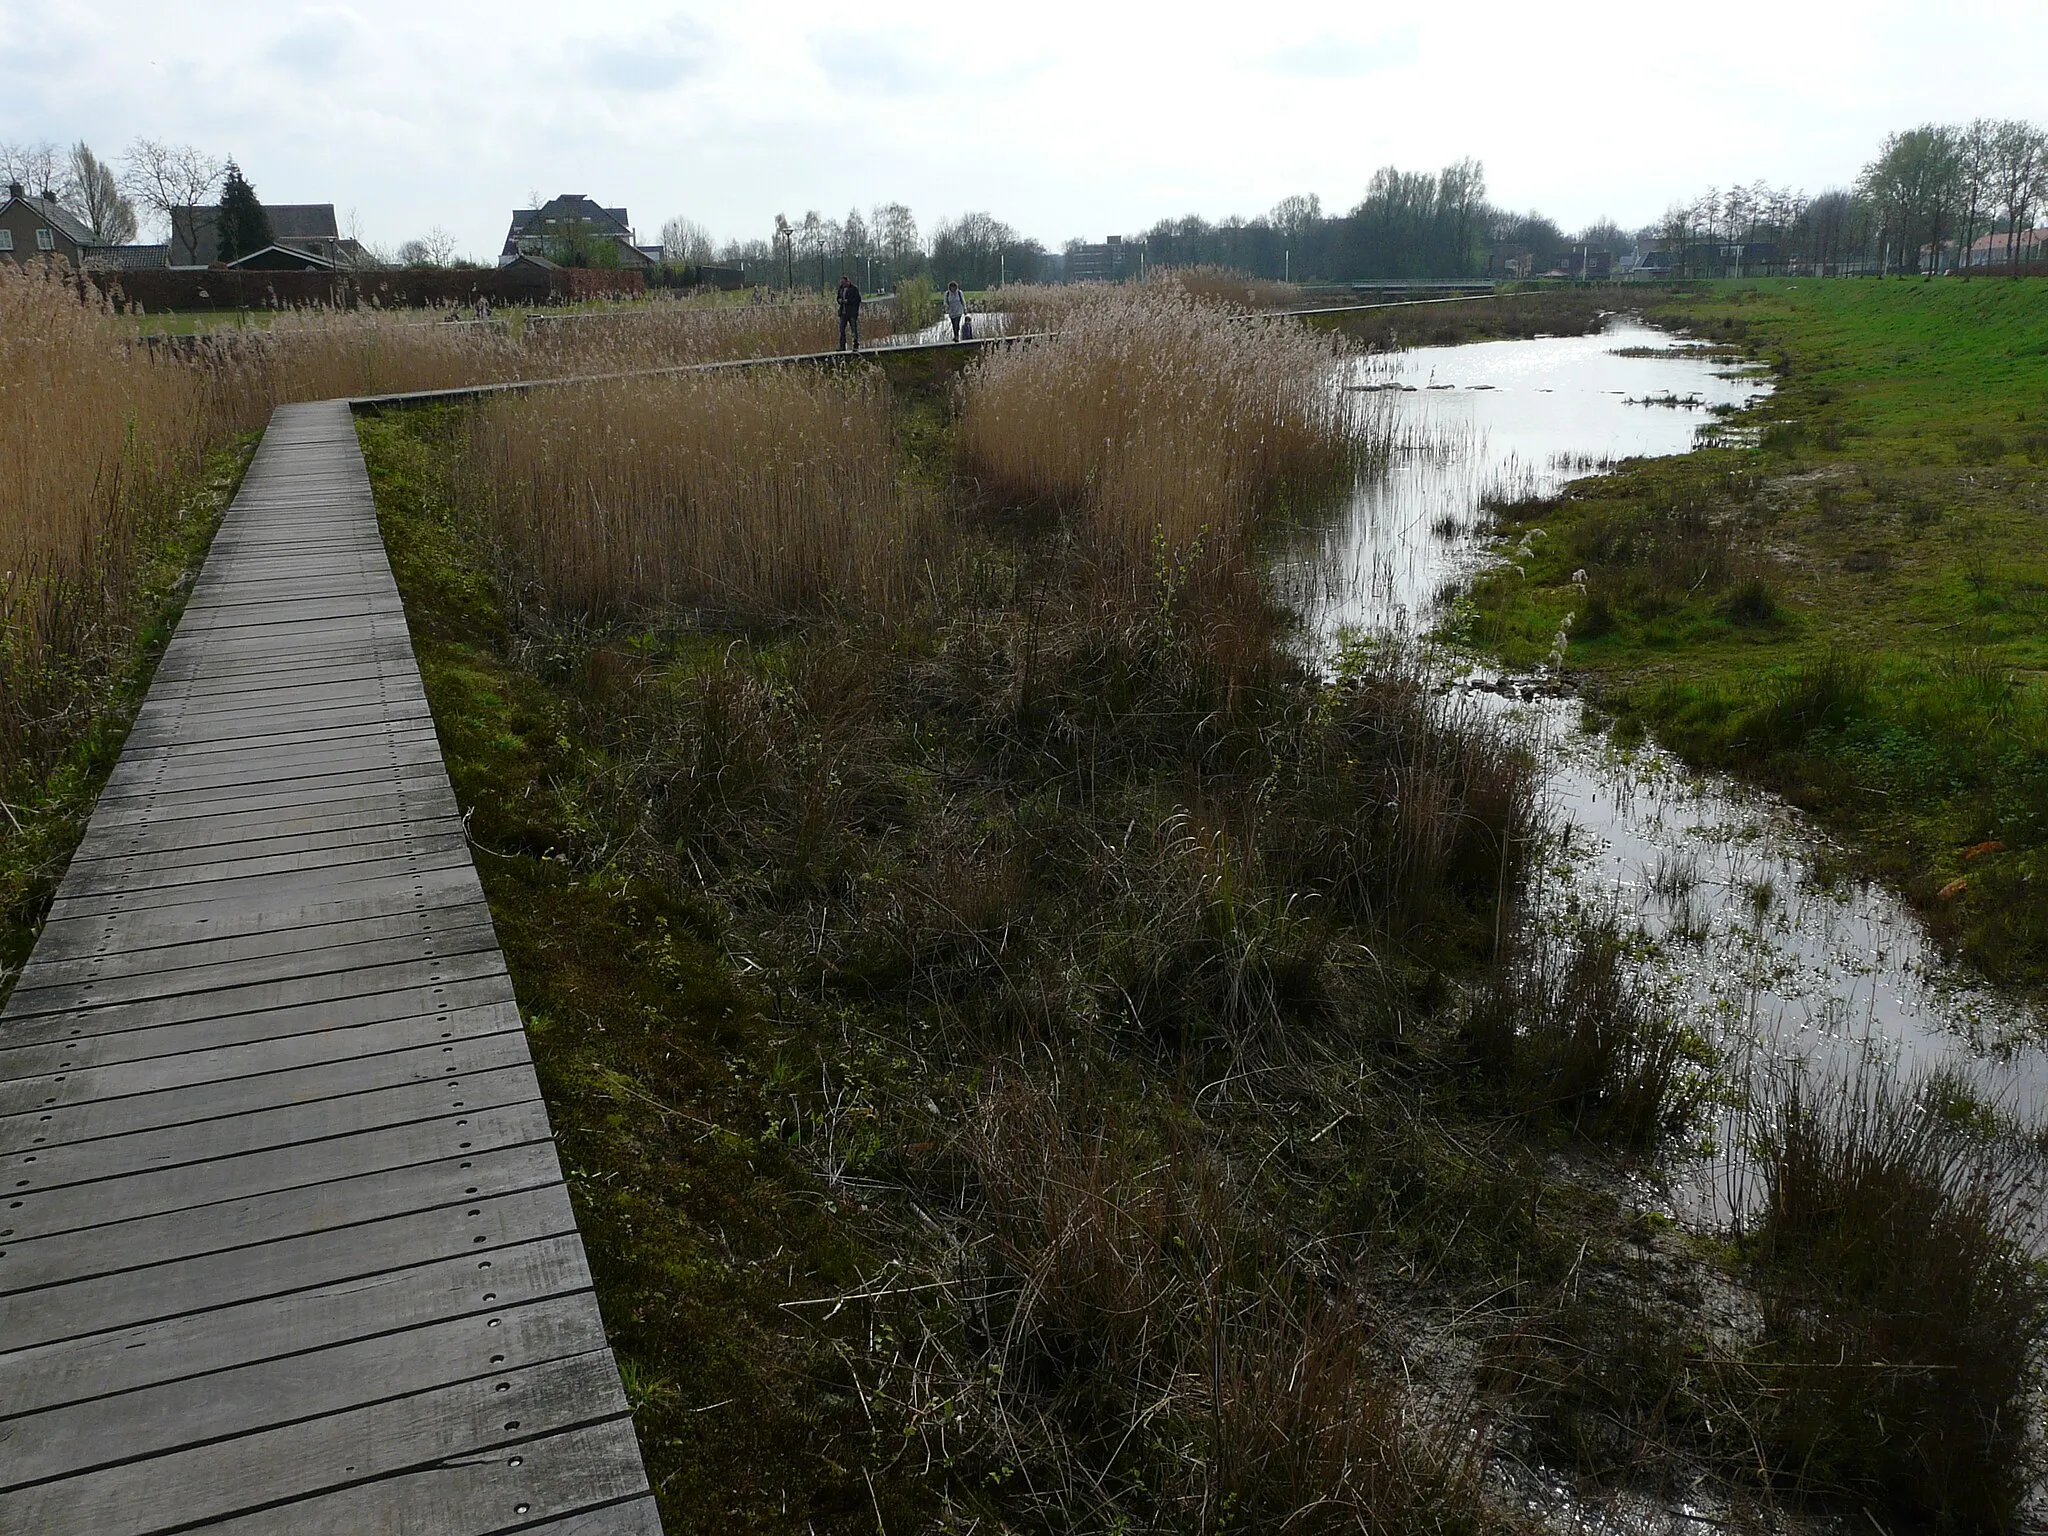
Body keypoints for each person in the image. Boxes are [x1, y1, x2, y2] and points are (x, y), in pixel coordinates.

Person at [837, 274, 862, 352]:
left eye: (844, 283)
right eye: (841, 283)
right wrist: (839, 300)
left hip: (851, 312)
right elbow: (838, 297)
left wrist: (848, 301)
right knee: (841, 329)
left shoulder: (854, 289)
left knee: (853, 329)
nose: (842, 284)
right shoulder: (841, 289)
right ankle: (842, 345)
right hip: (843, 312)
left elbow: (858, 300)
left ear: (847, 281)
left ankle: (855, 345)